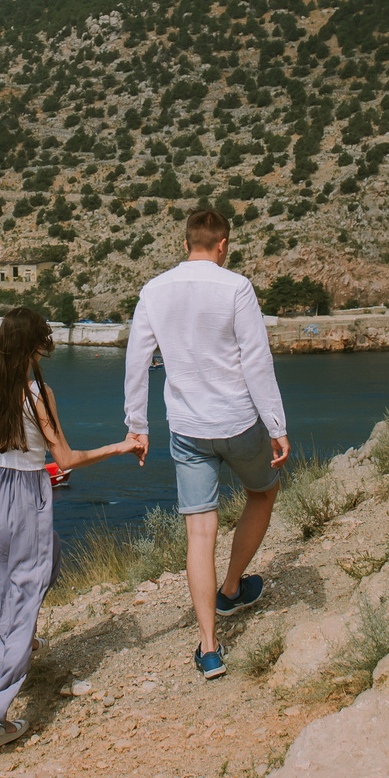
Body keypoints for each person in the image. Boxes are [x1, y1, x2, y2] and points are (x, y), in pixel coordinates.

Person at [0, 306, 144, 750]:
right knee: (24, 593)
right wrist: (120, 446)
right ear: (37, 345)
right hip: (22, 496)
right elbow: (66, 460)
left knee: (39, 562)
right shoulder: (37, 393)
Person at [121, 207, 289, 680]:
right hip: (238, 421)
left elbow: (137, 362)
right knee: (264, 490)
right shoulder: (236, 287)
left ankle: (210, 648)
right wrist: (276, 424)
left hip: (187, 428)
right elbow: (257, 361)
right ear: (223, 245)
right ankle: (232, 587)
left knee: (200, 533)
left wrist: (138, 427)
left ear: (186, 243)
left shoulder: (153, 291)